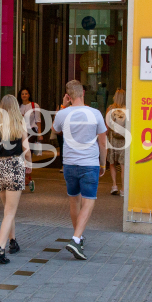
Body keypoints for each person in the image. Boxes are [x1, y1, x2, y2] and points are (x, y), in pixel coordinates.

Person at [53, 80, 107, 260]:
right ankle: (76, 239)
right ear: (83, 93)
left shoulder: (62, 114)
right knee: (89, 201)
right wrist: (103, 163)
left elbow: (55, 131)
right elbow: (102, 142)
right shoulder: (96, 113)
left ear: (68, 96)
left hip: (69, 164)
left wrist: (63, 106)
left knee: (74, 202)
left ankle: (79, 237)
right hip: (89, 164)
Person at [0, 94, 30, 264]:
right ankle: (0, 250)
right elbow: (27, 151)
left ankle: (13, 242)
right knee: (10, 212)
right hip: (15, 167)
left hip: (0, 168)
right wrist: (29, 164)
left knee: (7, 210)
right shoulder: (19, 125)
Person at [19, 88, 42, 191]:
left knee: (28, 154)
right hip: (19, 132)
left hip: (31, 132)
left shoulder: (34, 106)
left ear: (29, 95)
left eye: (26, 93)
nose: (24, 95)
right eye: (22, 94)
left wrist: (40, 134)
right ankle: (22, 176)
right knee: (20, 154)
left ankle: (27, 176)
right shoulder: (17, 106)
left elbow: (38, 121)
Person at [105, 88, 127, 196]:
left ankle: (114, 185)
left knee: (112, 163)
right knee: (123, 165)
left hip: (112, 140)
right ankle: (123, 189)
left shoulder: (110, 108)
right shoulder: (128, 109)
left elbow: (107, 127)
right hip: (124, 140)